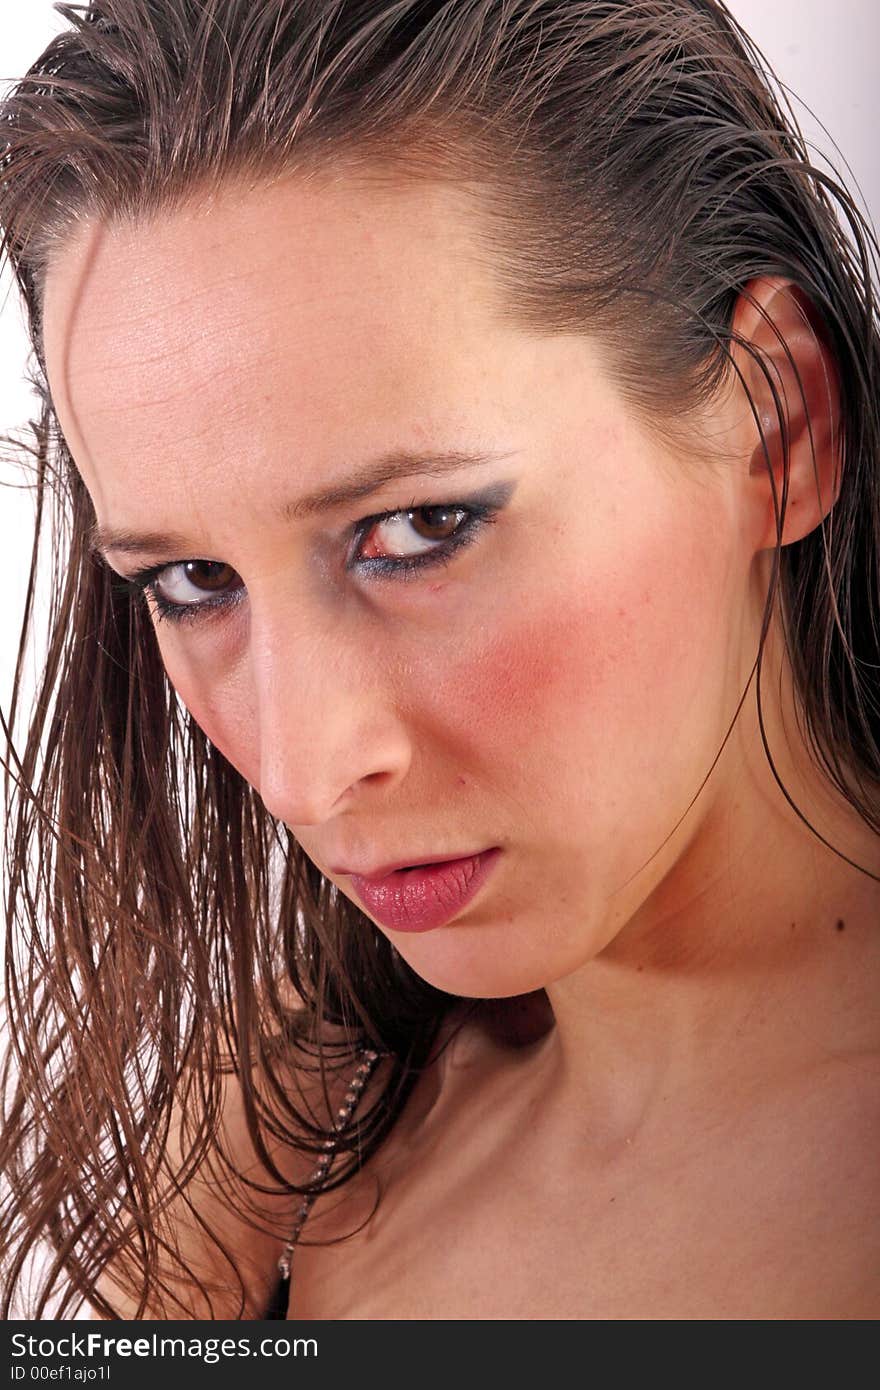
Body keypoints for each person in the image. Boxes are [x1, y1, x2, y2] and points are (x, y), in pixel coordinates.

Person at [1, 0, 878, 1322]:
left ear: (777, 423)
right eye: (193, 582)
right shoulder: (286, 1129)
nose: (304, 769)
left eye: (419, 532)